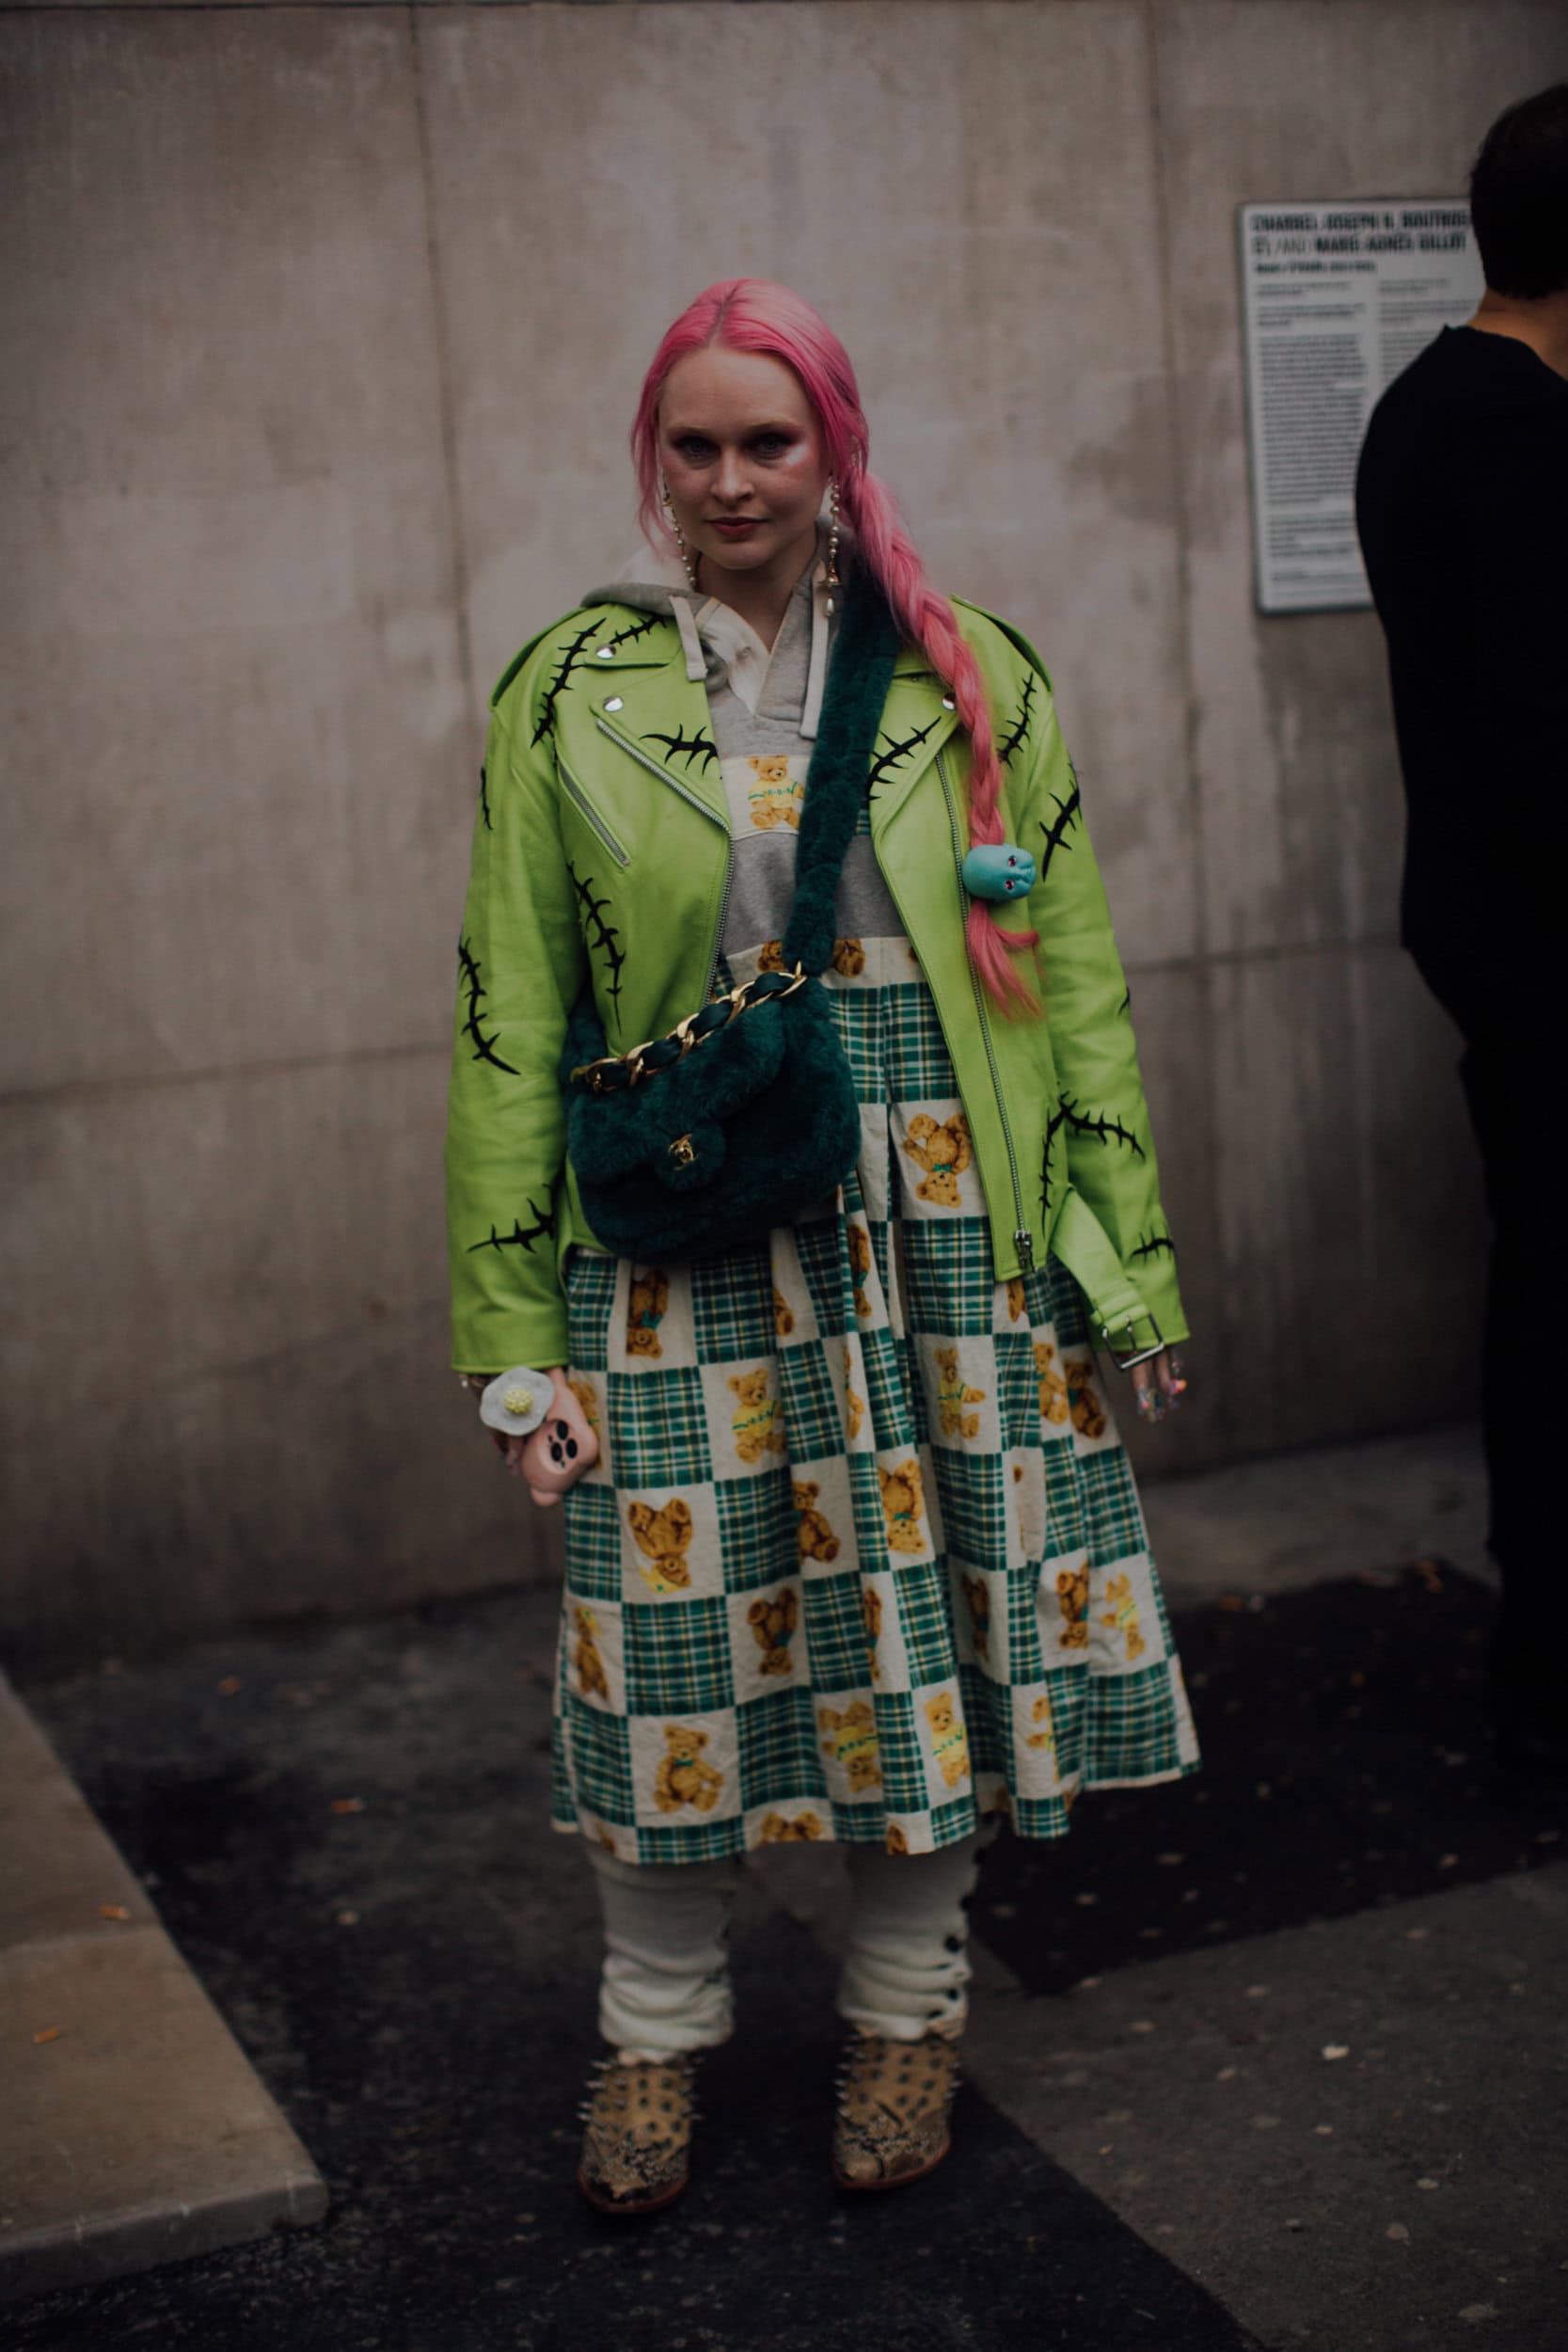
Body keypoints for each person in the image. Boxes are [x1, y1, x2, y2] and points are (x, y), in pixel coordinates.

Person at [445, 279, 1197, 2213]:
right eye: (692, 443)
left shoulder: (968, 668)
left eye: (765, 441)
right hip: (687, 1216)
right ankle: (651, 2038)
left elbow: (1073, 981)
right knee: (666, 1641)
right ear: (654, 454)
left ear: (834, 445)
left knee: (920, 1624)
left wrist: (1123, 1262)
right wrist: (514, 1337)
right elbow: (513, 1018)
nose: (728, 479)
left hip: (947, 1216)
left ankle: (907, 2008)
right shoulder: (568, 688)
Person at [1356, 87, 1568, 1777]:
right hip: (1548, 933)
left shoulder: (1422, 409)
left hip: (1492, 923)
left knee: (1544, 1278)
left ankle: (1540, 1649)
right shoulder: (1524, 442)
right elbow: (1544, 736)